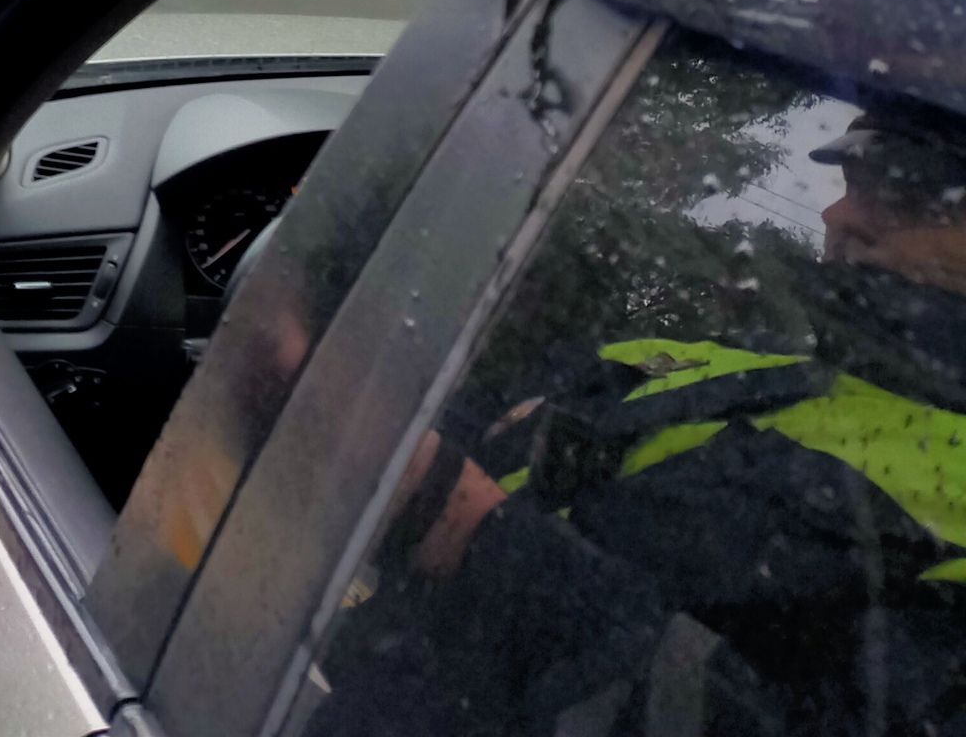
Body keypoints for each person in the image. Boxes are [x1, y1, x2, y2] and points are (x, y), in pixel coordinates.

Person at [310, 98, 966, 737]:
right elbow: (515, 413)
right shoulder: (755, 359)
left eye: (906, 194)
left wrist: (467, 533)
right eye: (852, 182)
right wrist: (347, 383)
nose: (840, 211)